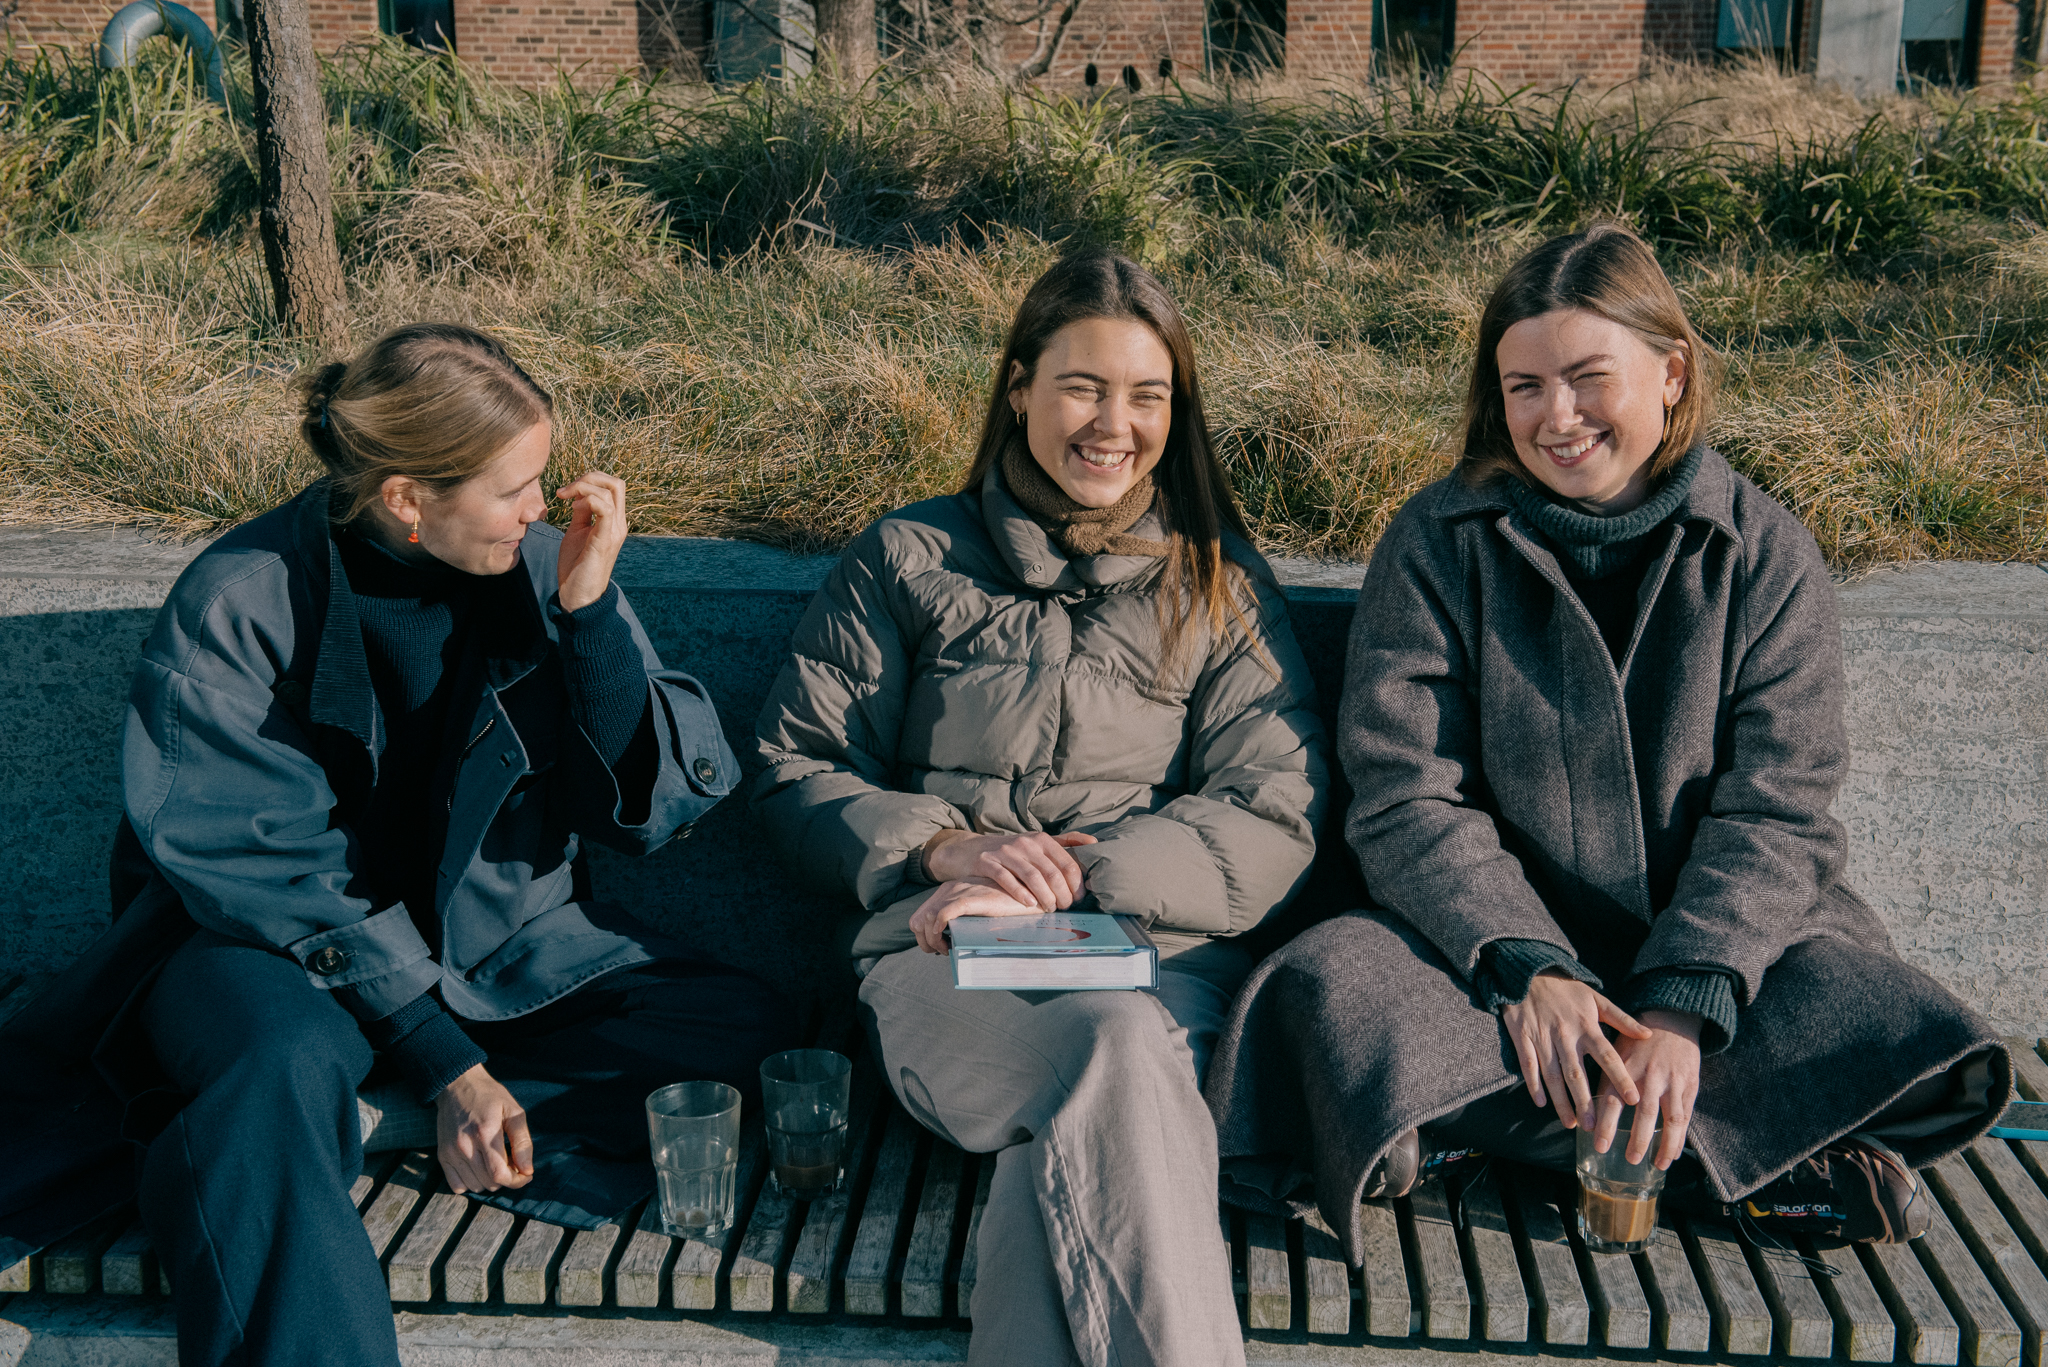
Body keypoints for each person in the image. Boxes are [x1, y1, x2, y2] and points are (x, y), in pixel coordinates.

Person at [1203, 224, 2008, 1265]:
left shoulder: (1764, 554)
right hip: (1480, 959)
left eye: (1587, 377)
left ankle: (1477, 1132)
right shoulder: (1435, 540)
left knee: (1910, 1036)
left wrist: (1681, 1003)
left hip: (1722, 944)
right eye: (1522, 385)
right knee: (1327, 988)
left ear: (1670, 373)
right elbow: (1405, 796)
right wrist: (1527, 966)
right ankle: (1751, 1162)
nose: (1555, 415)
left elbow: (1776, 806)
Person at [0, 324, 793, 1366]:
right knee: (275, 1060)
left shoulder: (542, 563)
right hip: (258, 956)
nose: (541, 506)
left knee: (749, 1031)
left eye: (540, 478)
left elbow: (645, 815)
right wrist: (448, 1058)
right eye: (515, 487)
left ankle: (364, 1119)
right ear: (408, 498)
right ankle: (336, 1117)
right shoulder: (239, 597)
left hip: (497, 948)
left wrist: (590, 615)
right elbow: (265, 873)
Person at [752, 250, 1327, 1367]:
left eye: (1146, 396)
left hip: (1157, 966)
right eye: (1083, 386)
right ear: (1018, 386)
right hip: (941, 964)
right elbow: (794, 767)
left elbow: (1276, 807)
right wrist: (945, 851)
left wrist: (1078, 877)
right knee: (1108, 1055)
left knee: (1066, 1131)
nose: (1113, 423)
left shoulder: (1216, 584)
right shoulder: (908, 557)